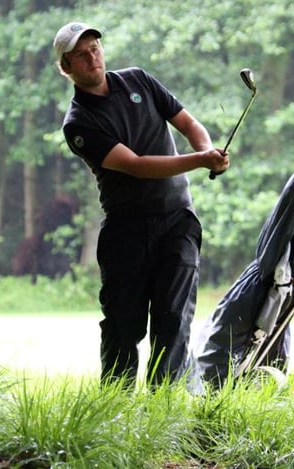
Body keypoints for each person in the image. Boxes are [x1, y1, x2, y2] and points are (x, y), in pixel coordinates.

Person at [53, 21, 230, 387]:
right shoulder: (78, 123)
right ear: (66, 67)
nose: (92, 58)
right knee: (123, 325)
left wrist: (205, 149)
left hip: (178, 219)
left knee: (174, 318)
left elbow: (188, 122)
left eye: (95, 49)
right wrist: (200, 161)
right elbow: (135, 165)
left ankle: (161, 412)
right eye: (81, 55)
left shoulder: (138, 80)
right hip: (127, 229)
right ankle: (115, 411)